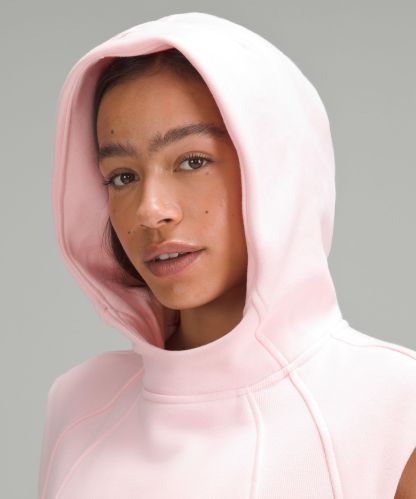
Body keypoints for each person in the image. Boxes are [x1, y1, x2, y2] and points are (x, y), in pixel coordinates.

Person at [38, 11, 416, 498]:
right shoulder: (80, 404)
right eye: (122, 176)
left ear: (277, 169)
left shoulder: (395, 407)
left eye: (192, 161)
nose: (150, 211)